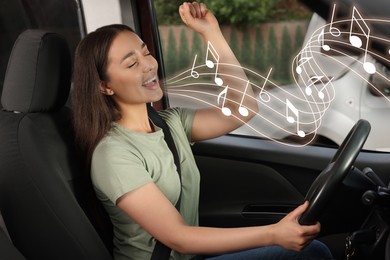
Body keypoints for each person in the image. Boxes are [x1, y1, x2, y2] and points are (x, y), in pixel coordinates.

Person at [72, 2, 333, 260]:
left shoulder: (170, 122)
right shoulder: (113, 154)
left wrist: (211, 33)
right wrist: (274, 234)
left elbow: (243, 107)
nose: (149, 65)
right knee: (312, 253)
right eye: (131, 64)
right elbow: (179, 238)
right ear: (105, 86)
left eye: (146, 53)